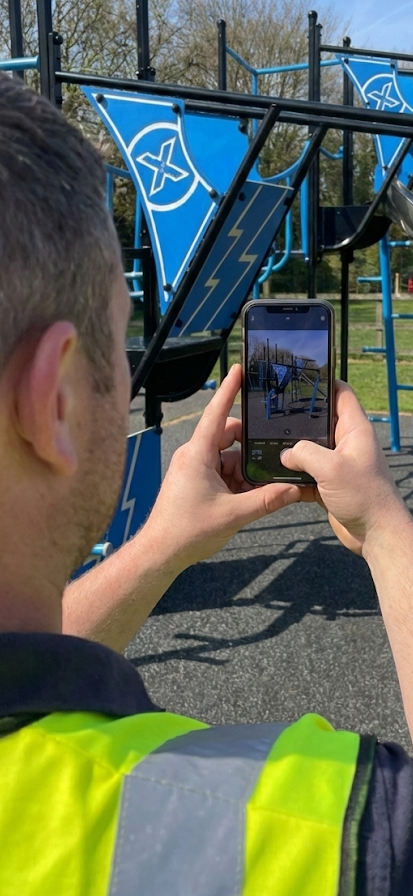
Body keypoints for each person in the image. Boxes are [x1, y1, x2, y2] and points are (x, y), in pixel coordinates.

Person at [0, 71, 413, 894]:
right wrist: (386, 535)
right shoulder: (285, 825)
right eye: (119, 342)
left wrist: (162, 544)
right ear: (52, 399)